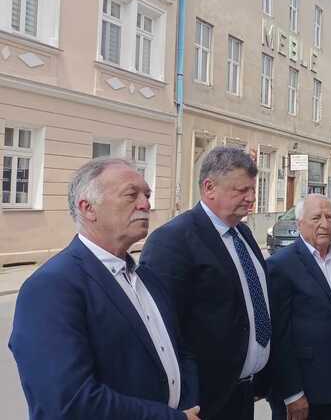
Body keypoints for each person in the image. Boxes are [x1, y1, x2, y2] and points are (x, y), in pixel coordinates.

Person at [9, 158, 200, 419]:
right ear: (88, 208)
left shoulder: (148, 278)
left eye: (147, 194)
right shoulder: (51, 287)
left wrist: (190, 404)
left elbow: (182, 352)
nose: (145, 204)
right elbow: (69, 401)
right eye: (132, 195)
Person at [140, 146, 270, 420]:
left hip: (243, 392)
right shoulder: (172, 241)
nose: (252, 199)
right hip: (202, 401)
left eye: (253, 190)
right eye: (242, 190)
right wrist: (185, 402)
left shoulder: (242, 234)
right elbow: (164, 331)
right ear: (210, 187)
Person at [267, 194, 331, 420]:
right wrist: (292, 394)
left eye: (330, 217)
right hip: (301, 391)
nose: (324, 224)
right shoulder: (281, 265)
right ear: (300, 223)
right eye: (316, 217)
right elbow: (278, 336)